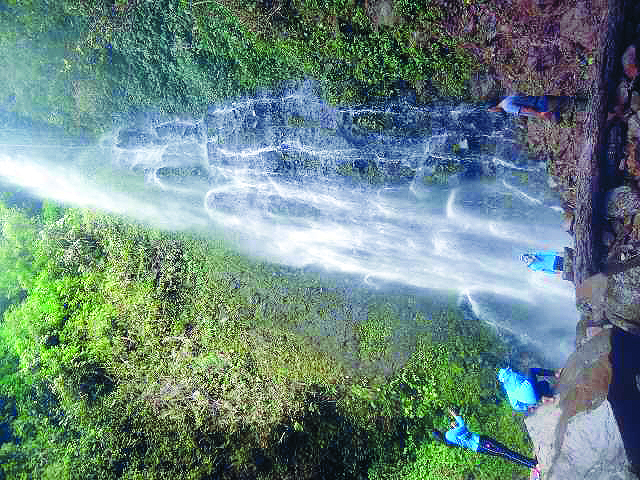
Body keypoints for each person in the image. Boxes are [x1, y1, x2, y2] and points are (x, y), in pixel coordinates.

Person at [431, 407, 539, 471]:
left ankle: (531, 462)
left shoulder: (448, 440)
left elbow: (463, 433)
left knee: (505, 452)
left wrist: (456, 427)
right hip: (480, 443)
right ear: (439, 432)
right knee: (506, 453)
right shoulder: (448, 435)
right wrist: (455, 415)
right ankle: (532, 464)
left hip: (480, 444)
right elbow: (463, 426)